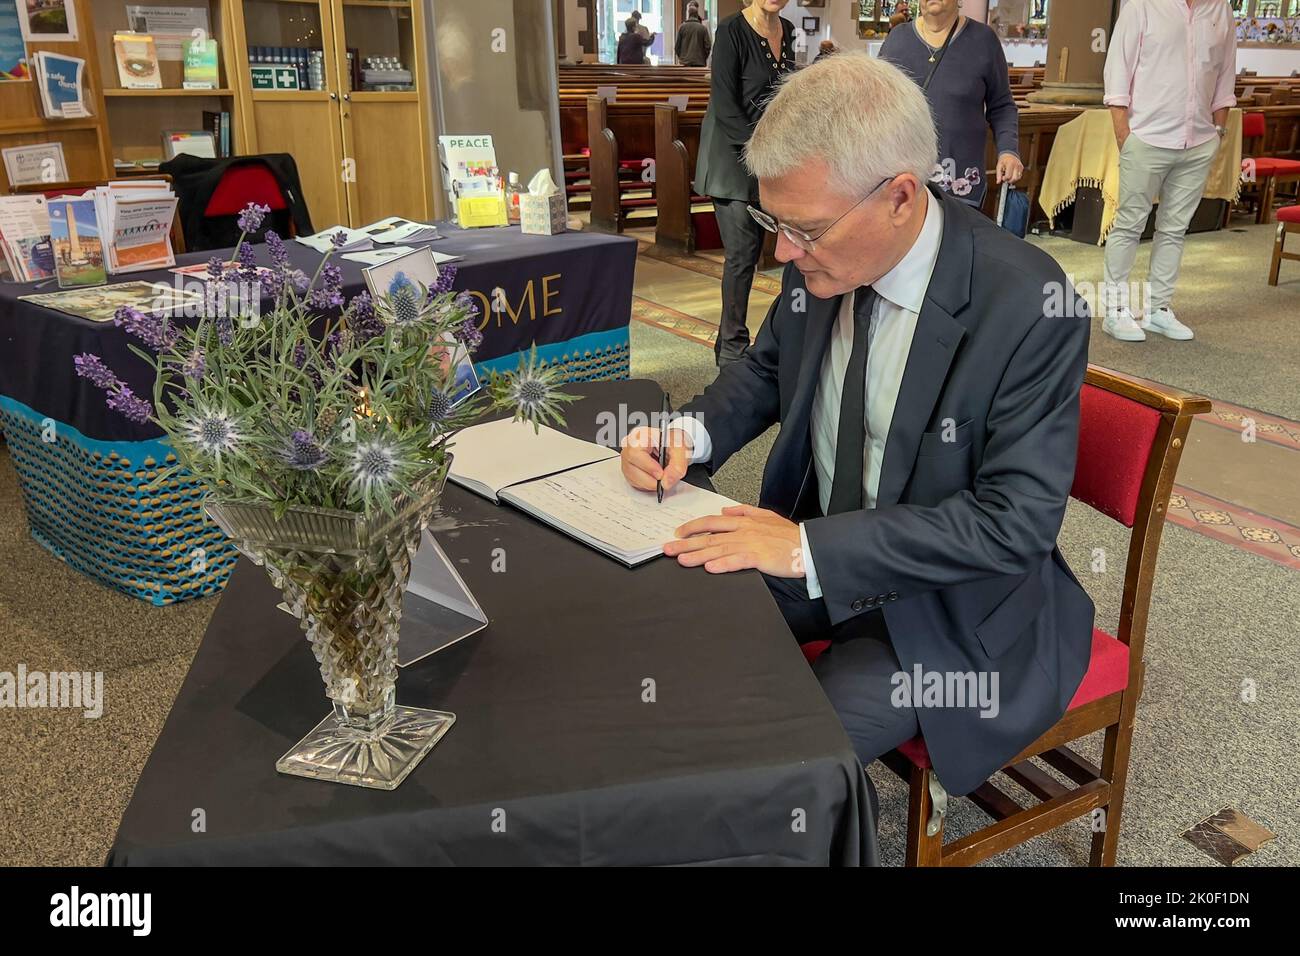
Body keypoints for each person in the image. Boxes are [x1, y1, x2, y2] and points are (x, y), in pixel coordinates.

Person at [620, 53, 1094, 799]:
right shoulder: (825, 257)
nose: (781, 250)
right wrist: (685, 434)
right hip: (823, 551)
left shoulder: (1024, 302)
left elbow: (1012, 525)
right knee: (663, 606)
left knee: (782, 761)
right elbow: (767, 371)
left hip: (944, 611)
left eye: (802, 229)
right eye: (773, 222)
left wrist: (805, 545)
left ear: (901, 197)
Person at [1100, 0, 1237, 343]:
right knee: (1130, 224)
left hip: (1199, 139)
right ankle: (1115, 311)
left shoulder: (1220, 8)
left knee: (1175, 229)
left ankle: (1158, 309)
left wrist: (1218, 132)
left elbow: (1225, 74)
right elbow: (1118, 70)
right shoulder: (1142, 5)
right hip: (1146, 137)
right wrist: (1124, 136)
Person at [695, 0, 795, 367]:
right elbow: (725, 105)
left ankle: (734, 342)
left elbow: (784, 97)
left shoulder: (787, 30)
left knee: (764, 250)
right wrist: (758, 153)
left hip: (767, 155)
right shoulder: (731, 31)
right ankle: (733, 347)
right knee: (742, 254)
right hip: (730, 156)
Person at [879, 0, 1022, 207]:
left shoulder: (983, 40)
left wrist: (1008, 150)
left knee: (957, 239)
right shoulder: (898, 39)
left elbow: (1002, 105)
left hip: (959, 181)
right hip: (904, 178)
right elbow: (877, 103)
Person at [676, 2, 712, 67]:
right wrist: (703, 58)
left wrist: (682, 58)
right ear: (696, 14)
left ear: (688, 14)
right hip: (700, 63)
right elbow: (708, 46)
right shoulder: (703, 28)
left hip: (684, 64)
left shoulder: (682, 27)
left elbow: (677, 47)